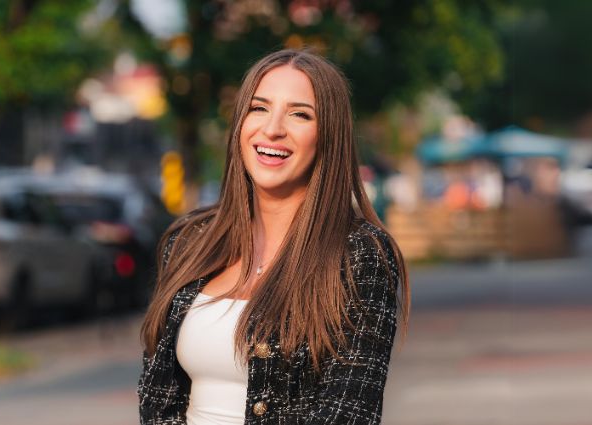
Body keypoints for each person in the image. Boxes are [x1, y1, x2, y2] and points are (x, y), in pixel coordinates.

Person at [138, 48, 409, 425]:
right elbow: (157, 400)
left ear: (327, 136)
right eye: (259, 108)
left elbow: (348, 412)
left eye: (299, 114)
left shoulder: (361, 255)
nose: (273, 128)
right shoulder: (188, 241)